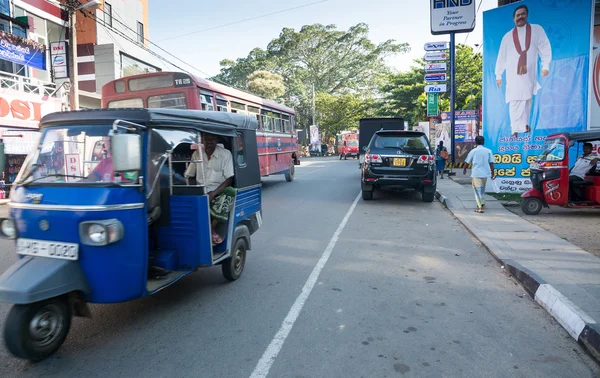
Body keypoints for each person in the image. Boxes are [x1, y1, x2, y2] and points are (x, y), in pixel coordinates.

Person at [495, 4, 552, 138]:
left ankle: (524, 124)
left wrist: (546, 65)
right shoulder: (507, 36)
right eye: (518, 15)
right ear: (514, 18)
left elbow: (545, 46)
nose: (520, 17)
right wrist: (499, 74)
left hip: (529, 73)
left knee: (527, 99)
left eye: (523, 14)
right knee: (515, 100)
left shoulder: (536, 30)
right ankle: (514, 128)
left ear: (526, 15)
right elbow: (501, 57)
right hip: (513, 75)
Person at [184, 132, 235, 245]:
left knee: (230, 192)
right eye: (206, 139)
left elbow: (229, 179)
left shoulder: (226, 155)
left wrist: (213, 193)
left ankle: (211, 228)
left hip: (218, 192)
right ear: (202, 140)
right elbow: (189, 175)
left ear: (217, 140)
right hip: (201, 191)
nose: (209, 141)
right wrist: (193, 190)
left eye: (212, 139)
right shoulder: (197, 154)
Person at [463, 136, 496, 213]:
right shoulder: (488, 151)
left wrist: (464, 169)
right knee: (482, 189)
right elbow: (491, 163)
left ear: (475, 142)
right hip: (485, 174)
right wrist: (493, 173)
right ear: (483, 142)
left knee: (477, 190)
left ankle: (479, 207)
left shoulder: (473, 151)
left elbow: (467, 162)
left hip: (476, 173)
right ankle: (482, 202)